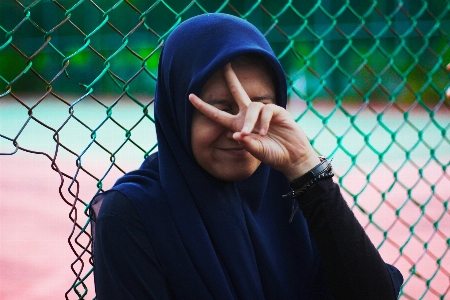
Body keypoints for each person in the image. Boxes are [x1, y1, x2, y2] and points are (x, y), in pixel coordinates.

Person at [90, 13, 403, 299]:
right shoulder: (133, 214)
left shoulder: (292, 186)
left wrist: (306, 167)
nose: (242, 129)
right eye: (219, 110)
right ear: (179, 114)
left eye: (260, 107)